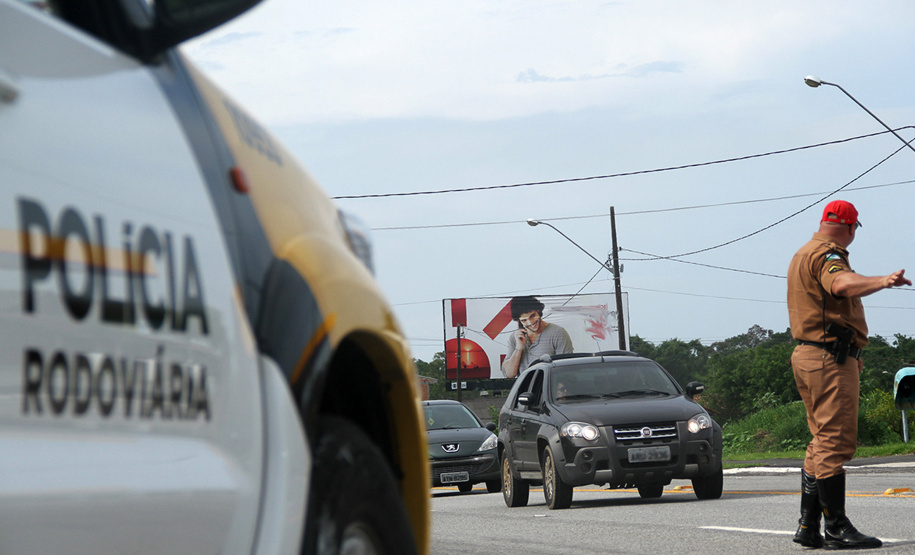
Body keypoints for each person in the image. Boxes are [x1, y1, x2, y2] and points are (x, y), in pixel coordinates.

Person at [787, 200, 910, 550]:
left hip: (811, 356)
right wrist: (883, 281)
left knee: (820, 440)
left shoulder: (802, 253)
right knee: (834, 442)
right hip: (828, 359)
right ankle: (837, 527)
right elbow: (840, 284)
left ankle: (809, 525)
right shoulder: (828, 255)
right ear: (850, 227)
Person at [501, 296, 573, 378]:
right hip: (524, 389)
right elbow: (509, 374)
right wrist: (519, 348)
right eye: (524, 320)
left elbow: (566, 370)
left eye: (532, 316)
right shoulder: (515, 337)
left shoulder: (558, 333)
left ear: (538, 311)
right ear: (519, 321)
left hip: (548, 388)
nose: (530, 322)